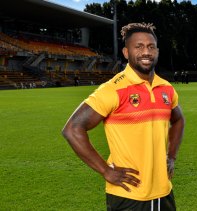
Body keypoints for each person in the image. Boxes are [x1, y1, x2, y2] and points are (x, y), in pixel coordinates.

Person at [62, 22, 185, 211]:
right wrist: (105, 171)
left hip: (164, 192)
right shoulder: (113, 89)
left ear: (157, 51)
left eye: (151, 47)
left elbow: (178, 120)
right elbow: (72, 129)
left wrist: (172, 157)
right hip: (127, 194)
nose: (146, 52)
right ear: (126, 53)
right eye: (139, 46)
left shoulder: (166, 88)